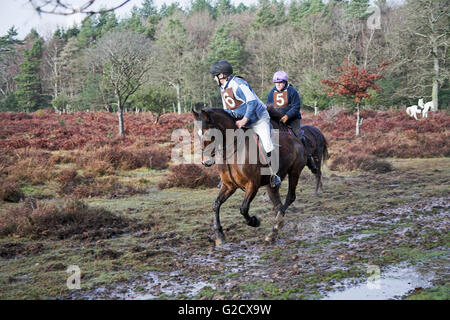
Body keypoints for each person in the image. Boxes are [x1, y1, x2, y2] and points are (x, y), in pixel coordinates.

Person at [210, 60, 281, 188]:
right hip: (242, 120)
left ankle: (273, 174)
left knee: (267, 144)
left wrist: (244, 120)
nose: (214, 79)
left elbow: (252, 103)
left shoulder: (239, 84)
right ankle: (226, 176)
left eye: (215, 76)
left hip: (258, 118)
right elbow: (227, 109)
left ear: (221, 75)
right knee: (227, 143)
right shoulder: (223, 88)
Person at [267, 70, 318, 174]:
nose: (278, 85)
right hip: (277, 120)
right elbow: (268, 106)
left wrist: (287, 116)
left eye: (280, 82)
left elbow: (296, 107)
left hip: (292, 119)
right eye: (276, 83)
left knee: (299, 136)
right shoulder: (271, 92)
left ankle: (308, 160)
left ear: (285, 82)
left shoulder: (292, 91)